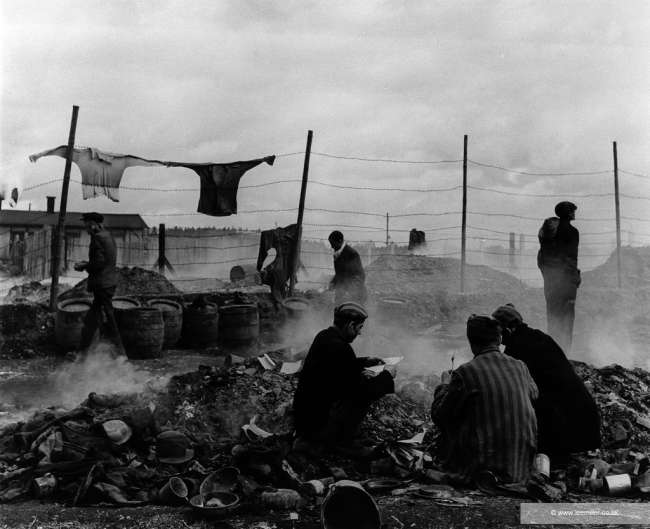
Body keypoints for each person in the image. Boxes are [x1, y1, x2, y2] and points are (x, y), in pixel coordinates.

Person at [430, 315, 538, 485]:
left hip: (481, 470)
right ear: (500, 339)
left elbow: (440, 415)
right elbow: (534, 395)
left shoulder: (465, 372)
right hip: (520, 468)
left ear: (471, 342)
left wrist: (444, 385)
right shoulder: (520, 366)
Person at [492, 303, 601, 466]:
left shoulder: (516, 349)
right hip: (587, 422)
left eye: (498, 330)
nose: (498, 336)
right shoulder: (540, 337)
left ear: (509, 328)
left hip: (567, 427)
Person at [292, 302, 395, 454]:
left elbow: (338, 367)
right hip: (317, 424)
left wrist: (365, 361)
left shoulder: (324, 336)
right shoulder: (341, 348)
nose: (359, 333)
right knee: (362, 397)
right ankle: (341, 442)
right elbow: (361, 391)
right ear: (350, 325)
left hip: (304, 416)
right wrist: (387, 375)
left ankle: (326, 436)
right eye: (359, 328)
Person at [74, 212, 123, 354]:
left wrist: (83, 266)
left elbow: (99, 263)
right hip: (109, 282)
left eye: (87, 225)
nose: (86, 229)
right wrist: (88, 263)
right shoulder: (107, 236)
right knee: (94, 318)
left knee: (108, 317)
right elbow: (104, 259)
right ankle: (83, 352)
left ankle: (121, 354)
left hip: (102, 284)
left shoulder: (97, 238)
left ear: (93, 225)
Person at [537, 201, 580, 352]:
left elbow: (541, 257)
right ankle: (565, 351)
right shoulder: (571, 231)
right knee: (567, 317)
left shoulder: (548, 232)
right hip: (566, 280)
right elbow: (571, 257)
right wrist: (575, 277)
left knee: (553, 315)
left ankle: (553, 351)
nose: (575, 213)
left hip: (551, 280)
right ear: (568, 213)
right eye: (573, 211)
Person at [328, 230, 367, 305]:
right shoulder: (338, 253)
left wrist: (350, 292)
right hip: (343, 294)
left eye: (333, 243)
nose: (332, 246)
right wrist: (333, 283)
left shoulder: (352, 254)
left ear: (340, 241)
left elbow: (360, 276)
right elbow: (340, 274)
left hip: (354, 296)